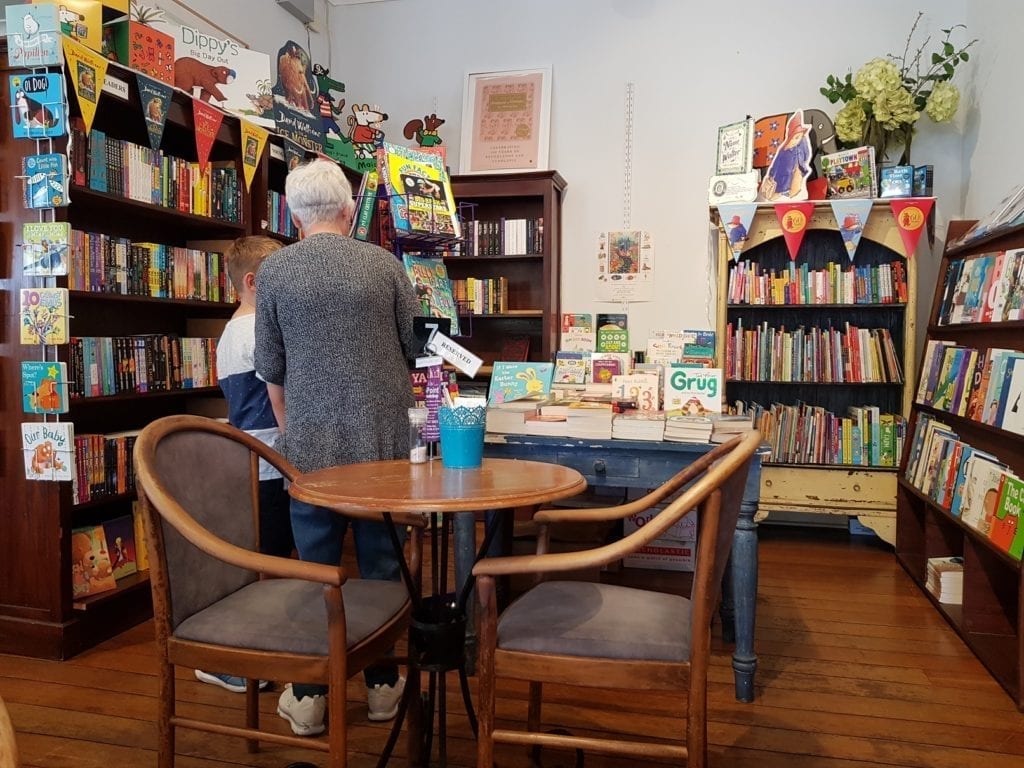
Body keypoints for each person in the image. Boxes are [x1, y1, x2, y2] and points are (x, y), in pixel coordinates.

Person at [254, 159, 421, 737]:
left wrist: (293, 429)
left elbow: (271, 368)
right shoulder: (384, 265)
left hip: (310, 448)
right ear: (350, 211)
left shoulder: (274, 272)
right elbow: (413, 345)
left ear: (295, 217)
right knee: (380, 566)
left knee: (316, 571)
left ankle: (310, 696)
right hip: (380, 445)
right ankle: (381, 688)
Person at [194, 235, 295, 695]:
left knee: (268, 559)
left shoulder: (231, 332)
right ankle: (234, 657)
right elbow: (279, 401)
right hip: (269, 460)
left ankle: (256, 650)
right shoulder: (255, 332)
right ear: (253, 282)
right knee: (268, 563)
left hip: (255, 460)